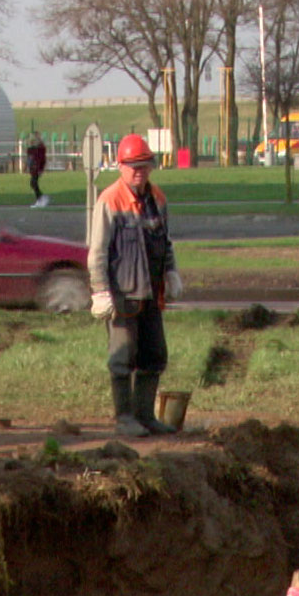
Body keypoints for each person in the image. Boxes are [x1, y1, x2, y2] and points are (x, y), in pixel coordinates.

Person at [88, 133, 182, 438]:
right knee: (122, 358)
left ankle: (145, 416)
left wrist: (171, 272)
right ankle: (124, 417)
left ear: (151, 165)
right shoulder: (110, 200)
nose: (139, 171)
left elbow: (164, 241)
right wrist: (101, 291)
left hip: (152, 294)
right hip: (123, 295)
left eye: (143, 165)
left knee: (154, 356)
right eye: (133, 166)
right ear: (121, 167)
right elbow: (98, 252)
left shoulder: (158, 199)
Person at [25, 134, 49, 207]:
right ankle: (40, 198)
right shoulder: (31, 149)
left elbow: (42, 160)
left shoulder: (39, 149)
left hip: (36, 168)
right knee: (33, 183)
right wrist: (27, 166)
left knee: (33, 183)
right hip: (33, 168)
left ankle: (41, 198)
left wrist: (41, 169)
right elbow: (29, 159)